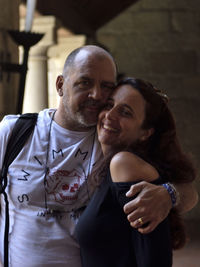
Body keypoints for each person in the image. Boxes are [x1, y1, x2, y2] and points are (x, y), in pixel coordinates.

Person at [0, 46, 198, 266]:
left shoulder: (112, 139)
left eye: (106, 86)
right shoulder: (14, 133)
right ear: (60, 85)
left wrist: (168, 194)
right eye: (85, 82)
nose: (96, 95)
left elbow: (188, 193)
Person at [75, 77, 197, 267]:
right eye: (109, 105)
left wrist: (172, 193)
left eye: (125, 112)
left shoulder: (124, 165)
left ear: (145, 132)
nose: (109, 115)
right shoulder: (110, 163)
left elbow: (154, 259)